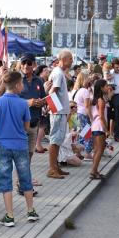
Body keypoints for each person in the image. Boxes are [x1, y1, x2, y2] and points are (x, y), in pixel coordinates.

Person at [0, 72, 39, 227]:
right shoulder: (24, 104)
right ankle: (30, 211)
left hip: (2, 145)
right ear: (17, 85)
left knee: (5, 179)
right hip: (20, 144)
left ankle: (10, 215)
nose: (23, 86)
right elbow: (27, 126)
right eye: (22, 83)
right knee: (25, 177)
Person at [18, 54, 45, 191]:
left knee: (29, 153)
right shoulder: (16, 80)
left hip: (34, 121)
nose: (26, 66)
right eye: (23, 63)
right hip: (21, 124)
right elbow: (11, 100)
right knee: (21, 154)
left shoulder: (38, 81)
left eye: (29, 63)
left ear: (34, 65)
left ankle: (24, 179)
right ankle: (22, 183)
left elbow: (43, 98)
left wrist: (41, 102)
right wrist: (28, 102)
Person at [46, 49, 73, 179]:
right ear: (63, 59)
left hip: (60, 111)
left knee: (58, 140)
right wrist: (50, 107)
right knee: (55, 140)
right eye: (70, 59)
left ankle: (55, 166)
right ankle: (52, 168)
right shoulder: (57, 72)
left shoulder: (59, 72)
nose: (72, 61)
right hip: (58, 111)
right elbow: (53, 91)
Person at [90, 79, 110, 179]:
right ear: (101, 88)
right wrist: (106, 129)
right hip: (99, 126)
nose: (108, 88)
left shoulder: (95, 100)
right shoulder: (101, 100)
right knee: (100, 150)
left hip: (94, 126)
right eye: (106, 86)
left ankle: (95, 170)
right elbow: (102, 116)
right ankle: (93, 171)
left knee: (97, 150)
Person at [71, 69, 93, 160]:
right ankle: (87, 153)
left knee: (82, 135)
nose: (90, 79)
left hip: (77, 115)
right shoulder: (85, 91)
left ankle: (78, 153)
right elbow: (87, 106)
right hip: (83, 115)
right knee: (88, 135)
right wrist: (92, 118)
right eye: (89, 77)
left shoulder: (77, 90)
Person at [34, 65, 50, 154]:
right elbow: (41, 94)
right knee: (42, 125)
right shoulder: (39, 81)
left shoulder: (44, 80)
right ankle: (38, 144)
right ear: (40, 72)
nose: (47, 71)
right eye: (45, 70)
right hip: (41, 104)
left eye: (47, 70)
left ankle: (38, 144)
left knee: (42, 125)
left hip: (44, 104)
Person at [110, 59, 119, 142]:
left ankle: (117, 136)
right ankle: (108, 133)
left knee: (117, 116)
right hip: (109, 95)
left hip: (118, 95)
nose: (118, 69)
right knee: (108, 115)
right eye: (116, 67)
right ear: (113, 66)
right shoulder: (110, 72)